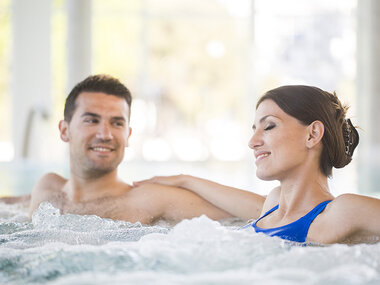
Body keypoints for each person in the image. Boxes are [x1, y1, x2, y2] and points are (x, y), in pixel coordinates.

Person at [134, 85, 380, 244]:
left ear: (312, 134)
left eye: (269, 126)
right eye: (254, 129)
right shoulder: (273, 205)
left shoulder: (344, 211)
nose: (253, 142)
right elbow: (242, 203)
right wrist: (185, 179)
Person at [1, 74, 232, 224]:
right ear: (64, 130)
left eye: (117, 123)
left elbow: (261, 213)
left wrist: (187, 181)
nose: (105, 134)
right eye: (92, 120)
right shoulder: (47, 187)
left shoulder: (150, 199)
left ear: (128, 135)